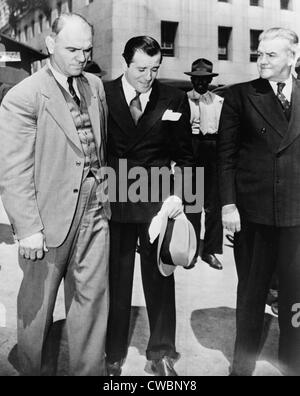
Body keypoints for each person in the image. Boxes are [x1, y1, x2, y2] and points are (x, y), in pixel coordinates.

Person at [0, 13, 110, 376]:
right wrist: (27, 227)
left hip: (95, 208)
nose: (82, 56)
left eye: (87, 49)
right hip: (47, 218)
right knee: (38, 307)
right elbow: (13, 169)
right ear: (50, 46)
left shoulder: (94, 85)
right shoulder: (24, 96)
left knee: (92, 301)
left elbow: (100, 144)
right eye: (72, 49)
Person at [104, 36, 195, 376]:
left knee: (160, 278)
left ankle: (161, 351)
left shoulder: (174, 98)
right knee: (116, 280)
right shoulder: (104, 94)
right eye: (141, 68)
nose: (148, 77)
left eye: (155, 69)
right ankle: (112, 353)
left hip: (158, 204)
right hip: (114, 201)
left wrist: (180, 198)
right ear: (126, 63)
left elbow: (186, 156)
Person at [218, 27, 300, 376]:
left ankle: (293, 362)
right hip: (253, 215)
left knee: (296, 295)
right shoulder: (240, 96)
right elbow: (225, 157)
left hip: (296, 216)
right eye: (259, 53)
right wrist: (228, 205)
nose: (261, 60)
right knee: (251, 295)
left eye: (270, 54)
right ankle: (242, 365)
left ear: (292, 58)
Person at [185, 59, 224, 270]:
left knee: (213, 206)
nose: (201, 83)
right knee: (192, 205)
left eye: (205, 80)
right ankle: (190, 251)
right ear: (191, 79)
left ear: (210, 80)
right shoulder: (183, 100)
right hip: (192, 149)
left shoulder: (218, 101)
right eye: (197, 79)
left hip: (212, 149)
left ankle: (209, 251)